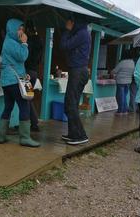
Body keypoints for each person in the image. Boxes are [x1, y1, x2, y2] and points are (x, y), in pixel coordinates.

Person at [0, 19, 39, 147]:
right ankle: (25, 138)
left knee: (8, 107)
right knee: (24, 105)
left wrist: (24, 74)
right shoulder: (12, 43)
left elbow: (16, 63)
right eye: (19, 29)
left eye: (22, 29)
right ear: (12, 30)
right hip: (14, 80)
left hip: (8, 80)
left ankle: (2, 136)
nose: (21, 32)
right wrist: (25, 43)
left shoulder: (8, 42)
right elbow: (22, 56)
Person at [60, 15, 90, 145]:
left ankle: (80, 135)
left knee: (70, 105)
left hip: (78, 71)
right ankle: (73, 133)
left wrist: (67, 30)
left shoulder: (82, 33)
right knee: (70, 104)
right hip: (78, 71)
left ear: (75, 22)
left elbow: (64, 45)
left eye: (71, 21)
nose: (68, 23)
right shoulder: (83, 32)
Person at [24, 22, 43, 132]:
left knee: (27, 98)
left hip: (27, 73)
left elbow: (25, 56)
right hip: (34, 72)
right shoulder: (40, 41)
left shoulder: (29, 41)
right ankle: (33, 123)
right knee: (29, 97)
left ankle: (32, 123)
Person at [112, 50, 135, 115]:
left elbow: (115, 71)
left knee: (120, 97)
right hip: (128, 82)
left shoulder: (122, 62)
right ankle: (124, 111)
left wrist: (111, 72)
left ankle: (120, 111)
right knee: (124, 96)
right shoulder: (132, 62)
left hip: (121, 82)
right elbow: (133, 72)